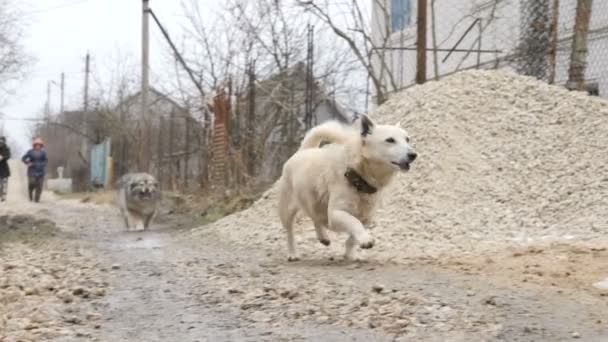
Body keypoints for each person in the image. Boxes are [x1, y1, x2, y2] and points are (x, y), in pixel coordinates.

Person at [22, 138, 48, 203]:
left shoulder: (43, 153)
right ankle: (30, 193)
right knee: (32, 183)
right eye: (36, 145)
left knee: (39, 186)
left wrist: (43, 164)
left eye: (39, 145)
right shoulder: (30, 152)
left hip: (41, 172)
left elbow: (46, 161)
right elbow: (23, 158)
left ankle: (37, 199)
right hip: (32, 171)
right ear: (34, 145)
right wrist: (28, 163)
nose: (38, 146)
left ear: (41, 146)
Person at [0, 137, 11, 202]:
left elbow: (9, 156)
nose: (1, 142)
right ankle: (1, 194)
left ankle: (3, 197)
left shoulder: (6, 148)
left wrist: (3, 157)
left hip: (4, 168)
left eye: (2, 141)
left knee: (4, 183)